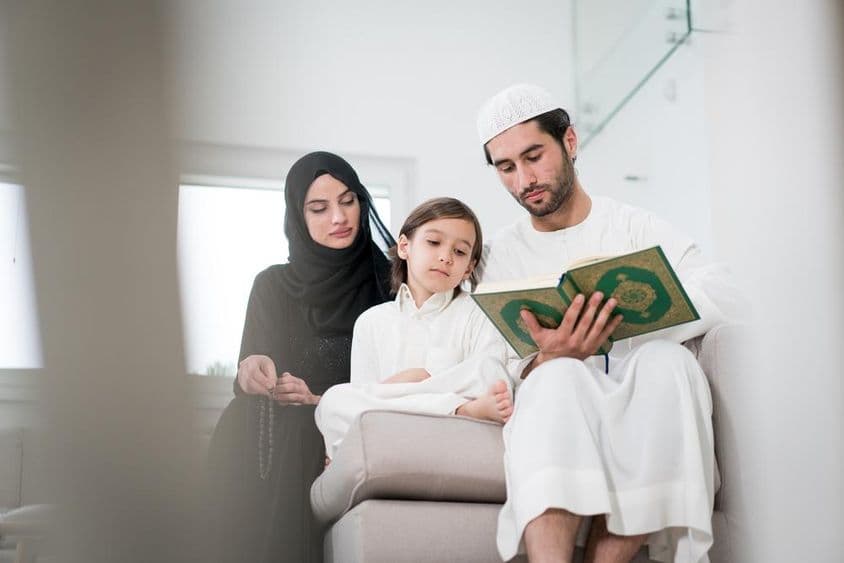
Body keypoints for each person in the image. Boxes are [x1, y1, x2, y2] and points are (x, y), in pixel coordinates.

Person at [476, 84, 742, 563]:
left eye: (534, 157)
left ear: (569, 142)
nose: (524, 180)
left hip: (637, 391)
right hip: (555, 398)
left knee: (669, 363)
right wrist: (550, 356)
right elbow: (487, 357)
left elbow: (724, 290)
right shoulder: (499, 255)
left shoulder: (632, 225)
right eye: (506, 168)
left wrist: (624, 325)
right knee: (559, 376)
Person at [204, 151, 394, 563]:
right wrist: (252, 372)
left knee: (306, 424)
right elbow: (251, 369)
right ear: (298, 216)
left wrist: (321, 400)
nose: (339, 217)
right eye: (319, 208)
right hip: (280, 428)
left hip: (349, 420)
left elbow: (398, 378)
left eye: (348, 201)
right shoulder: (272, 285)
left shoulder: (392, 283)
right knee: (265, 417)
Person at [315, 197, 516, 460]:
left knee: (488, 370)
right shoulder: (371, 321)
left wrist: (394, 393)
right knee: (332, 402)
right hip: (392, 433)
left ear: (469, 267)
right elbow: (363, 403)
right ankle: (457, 408)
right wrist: (402, 383)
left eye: (459, 252)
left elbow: (491, 382)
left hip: (454, 436)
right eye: (433, 242)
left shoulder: (480, 312)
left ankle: (455, 410)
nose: (445, 257)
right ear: (404, 246)